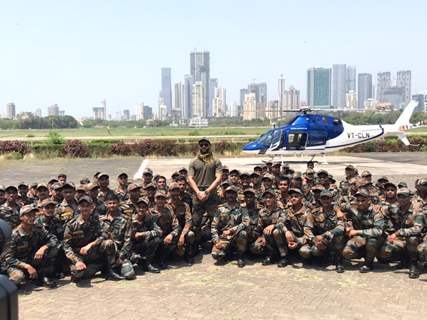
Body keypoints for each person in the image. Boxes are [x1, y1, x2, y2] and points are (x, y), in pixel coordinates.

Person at [63, 196, 123, 282]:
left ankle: (110, 270)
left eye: (87, 206)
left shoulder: (96, 221)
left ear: (92, 207)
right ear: (79, 207)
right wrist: (77, 261)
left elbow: (106, 233)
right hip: (78, 255)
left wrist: (91, 244)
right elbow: (66, 246)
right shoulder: (71, 224)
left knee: (109, 243)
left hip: (93, 251)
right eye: (82, 206)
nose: (85, 208)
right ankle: (95, 267)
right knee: (78, 273)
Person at [1, 205, 59, 288]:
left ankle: (43, 275)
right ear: (21, 217)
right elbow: (8, 258)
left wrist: (43, 248)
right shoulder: (14, 235)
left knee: (52, 248)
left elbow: (53, 239)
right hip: (16, 264)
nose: (32, 218)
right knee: (18, 277)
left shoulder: (38, 228)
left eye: (33, 215)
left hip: (31, 259)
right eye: (28, 215)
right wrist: (27, 266)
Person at [378, 187, 421, 278]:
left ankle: (413, 264)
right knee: (384, 252)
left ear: (410, 198)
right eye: (399, 196)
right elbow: (382, 215)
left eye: (404, 197)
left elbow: (417, 229)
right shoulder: (394, 208)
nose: (401, 199)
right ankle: (403, 260)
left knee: (412, 239)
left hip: (418, 240)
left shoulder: (417, 210)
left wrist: (397, 233)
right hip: (400, 239)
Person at [299, 190, 346, 273]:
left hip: (332, 241)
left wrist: (324, 236)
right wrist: (314, 240)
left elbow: (341, 227)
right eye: (323, 198)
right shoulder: (314, 212)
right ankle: (321, 258)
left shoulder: (338, 212)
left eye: (328, 198)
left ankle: (339, 262)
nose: (325, 201)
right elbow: (307, 228)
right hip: (319, 241)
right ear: (319, 200)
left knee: (339, 236)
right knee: (305, 251)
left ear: (332, 199)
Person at [187, 137, 222, 247]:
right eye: (201, 145)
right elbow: (190, 178)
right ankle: (195, 245)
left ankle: (215, 244)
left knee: (215, 221)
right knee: (196, 222)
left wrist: (207, 192)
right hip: (197, 195)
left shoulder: (216, 161)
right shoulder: (193, 162)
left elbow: (218, 178)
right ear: (199, 146)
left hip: (211, 195)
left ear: (209, 146)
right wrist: (198, 192)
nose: (203, 147)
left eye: (206, 145)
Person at [341, 189, 386, 272]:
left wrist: (357, 232)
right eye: (358, 200)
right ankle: (365, 253)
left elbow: (378, 231)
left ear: (369, 200)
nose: (360, 203)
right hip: (360, 238)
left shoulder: (376, 211)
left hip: (377, 239)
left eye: (363, 200)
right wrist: (348, 225)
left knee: (372, 241)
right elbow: (336, 205)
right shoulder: (353, 208)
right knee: (346, 253)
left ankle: (368, 264)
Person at [121, 197, 161, 273]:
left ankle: (147, 263)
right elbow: (125, 239)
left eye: (144, 207)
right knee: (129, 270)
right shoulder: (130, 219)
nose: (141, 209)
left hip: (141, 245)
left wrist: (142, 234)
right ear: (136, 208)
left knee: (156, 240)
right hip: (129, 247)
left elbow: (159, 231)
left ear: (147, 209)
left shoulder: (149, 219)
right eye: (139, 207)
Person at [211, 186, 247, 267]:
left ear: (236, 195)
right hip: (224, 237)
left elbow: (246, 222)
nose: (230, 195)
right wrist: (216, 241)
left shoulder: (242, 207)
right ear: (225, 195)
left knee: (243, 233)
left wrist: (232, 230)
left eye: (232, 193)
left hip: (236, 235)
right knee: (216, 255)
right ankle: (227, 253)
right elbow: (213, 226)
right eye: (228, 193)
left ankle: (240, 256)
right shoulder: (220, 208)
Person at [168, 183, 195, 264]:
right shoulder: (165, 205)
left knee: (190, 234)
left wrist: (182, 235)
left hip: (182, 230)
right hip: (169, 231)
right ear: (169, 192)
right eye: (173, 191)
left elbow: (188, 221)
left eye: (177, 191)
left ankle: (189, 255)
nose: (175, 193)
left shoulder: (185, 205)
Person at [151, 192, 180, 269]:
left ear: (165, 200)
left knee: (175, 238)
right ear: (154, 200)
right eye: (158, 198)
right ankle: (150, 261)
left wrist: (171, 234)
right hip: (155, 236)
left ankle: (163, 259)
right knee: (155, 241)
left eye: (162, 199)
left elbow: (176, 226)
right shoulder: (150, 212)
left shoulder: (169, 211)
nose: (160, 201)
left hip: (166, 236)